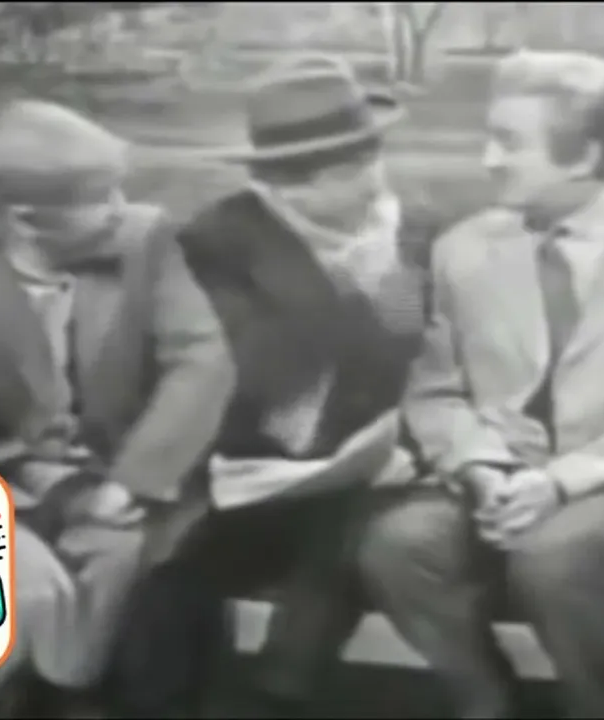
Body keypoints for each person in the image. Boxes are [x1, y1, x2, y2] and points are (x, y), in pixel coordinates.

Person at [357, 50, 604, 718]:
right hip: (500, 469)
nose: (488, 161)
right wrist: (479, 465)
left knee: (555, 557)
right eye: (489, 139)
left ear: (584, 155)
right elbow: (435, 389)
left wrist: (562, 482)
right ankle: (486, 704)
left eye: (509, 143)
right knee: (400, 545)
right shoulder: (464, 248)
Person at [114, 55, 427, 718]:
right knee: (176, 570)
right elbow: (259, 373)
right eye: (351, 173)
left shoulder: (406, 228)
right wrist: (357, 290)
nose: (373, 185)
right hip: (249, 471)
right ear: (289, 188)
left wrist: (386, 284)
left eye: (373, 160)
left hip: (382, 465)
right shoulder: (217, 246)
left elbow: (416, 342)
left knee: (354, 529)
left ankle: (277, 694)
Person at [0, 99, 235, 717]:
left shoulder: (150, 240)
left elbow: (203, 362)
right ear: (24, 217)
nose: (121, 207)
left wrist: (131, 483)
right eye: (99, 197)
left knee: (150, 594)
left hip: (131, 485)